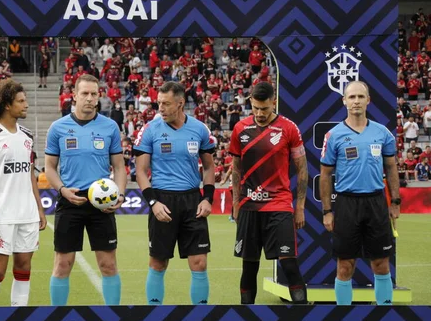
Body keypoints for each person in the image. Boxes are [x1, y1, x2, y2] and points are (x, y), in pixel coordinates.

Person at [45, 74, 127, 306]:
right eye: (85, 94)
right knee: (62, 264)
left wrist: (120, 194)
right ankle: (57, 317)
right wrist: (62, 190)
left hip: (102, 203)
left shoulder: (110, 126)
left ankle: (114, 317)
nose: (89, 99)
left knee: (108, 264)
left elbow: (119, 166)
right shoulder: (58, 128)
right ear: (74, 95)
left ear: (99, 96)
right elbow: (49, 168)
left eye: (94, 94)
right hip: (70, 200)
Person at [134, 81, 216, 305]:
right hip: (162, 200)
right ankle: (154, 314)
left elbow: (209, 167)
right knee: (158, 263)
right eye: (159, 103)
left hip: (192, 200)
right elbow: (140, 172)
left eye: (166, 103)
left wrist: (208, 199)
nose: (160, 108)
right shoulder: (149, 130)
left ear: (180, 103)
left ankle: (200, 315)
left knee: (199, 262)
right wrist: (153, 203)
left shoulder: (199, 129)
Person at [320, 81, 400, 306]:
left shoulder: (382, 133)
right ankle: (343, 315)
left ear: (368, 100)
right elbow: (325, 175)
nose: (356, 101)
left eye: (360, 97)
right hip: (347, 204)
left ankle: (385, 311)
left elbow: (391, 167)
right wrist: (327, 211)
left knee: (381, 264)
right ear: (344, 100)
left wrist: (395, 201)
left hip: (376, 202)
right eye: (352, 97)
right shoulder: (333, 135)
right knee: (345, 265)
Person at [229, 82, 308, 304]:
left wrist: (300, 206)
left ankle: (303, 317)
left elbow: (302, 169)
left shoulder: (289, 128)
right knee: (249, 266)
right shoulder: (240, 128)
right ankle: (247, 316)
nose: (260, 114)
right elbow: (236, 168)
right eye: (255, 108)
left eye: (264, 108)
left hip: (279, 205)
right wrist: (236, 203)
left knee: (289, 264)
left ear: (274, 102)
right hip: (248, 206)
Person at [0, 80, 47, 307]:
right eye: (21, 101)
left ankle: (18, 315)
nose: (26, 105)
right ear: (6, 104)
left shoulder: (27, 136)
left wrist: (39, 208)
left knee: (24, 268)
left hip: (27, 214)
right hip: (1, 215)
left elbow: (29, 175)